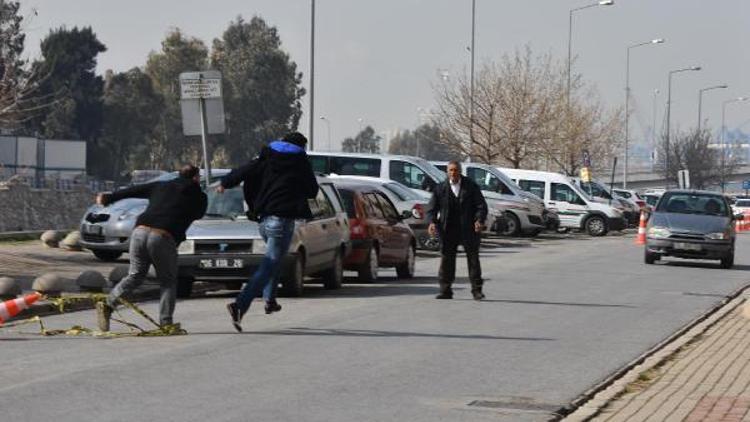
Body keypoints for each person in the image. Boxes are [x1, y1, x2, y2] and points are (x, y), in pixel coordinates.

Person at [220, 132, 319, 332]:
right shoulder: (300, 162)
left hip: (264, 220)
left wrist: (224, 183)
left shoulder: (266, 157)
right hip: (281, 221)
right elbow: (312, 190)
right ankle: (239, 305)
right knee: (268, 266)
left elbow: (243, 171)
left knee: (276, 260)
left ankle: (270, 300)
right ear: (301, 147)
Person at [95, 164, 208, 331]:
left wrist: (108, 198)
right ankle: (166, 323)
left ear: (178, 174)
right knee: (168, 282)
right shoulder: (199, 196)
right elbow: (199, 213)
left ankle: (108, 304)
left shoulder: (161, 185)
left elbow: (133, 190)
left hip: (139, 232)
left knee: (135, 275)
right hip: (163, 236)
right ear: (196, 178)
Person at [427, 160, 488, 300]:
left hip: (468, 229)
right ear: (447, 172)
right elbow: (432, 208)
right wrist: (432, 223)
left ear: (460, 171)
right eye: (451, 170)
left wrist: (479, 220)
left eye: (455, 170)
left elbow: (481, 206)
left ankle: (476, 290)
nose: (453, 173)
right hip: (448, 229)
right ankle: (445, 290)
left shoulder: (471, 186)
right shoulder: (440, 188)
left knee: (473, 259)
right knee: (447, 259)